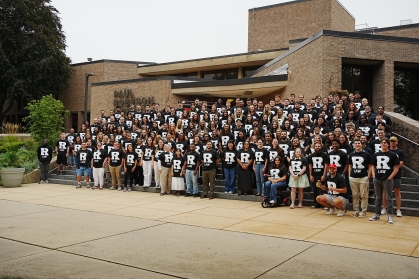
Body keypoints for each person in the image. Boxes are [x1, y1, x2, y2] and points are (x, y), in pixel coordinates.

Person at [370, 138, 400, 224]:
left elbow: (397, 167)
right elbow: (373, 166)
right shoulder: (376, 154)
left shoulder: (393, 155)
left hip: (387, 178)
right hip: (378, 178)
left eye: (385, 143)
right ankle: (377, 214)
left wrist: (390, 177)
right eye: (382, 142)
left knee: (389, 198)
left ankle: (390, 215)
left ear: (388, 144)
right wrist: (374, 176)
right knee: (378, 198)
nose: (383, 144)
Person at [348, 139, 372, 218]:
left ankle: (363, 211)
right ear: (353, 145)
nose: (357, 144)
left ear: (361, 144)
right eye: (356, 143)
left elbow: (370, 166)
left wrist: (368, 176)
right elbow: (350, 166)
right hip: (353, 177)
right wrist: (349, 176)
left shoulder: (367, 154)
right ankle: (356, 210)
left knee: (363, 195)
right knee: (355, 195)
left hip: (363, 177)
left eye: (359, 143)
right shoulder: (351, 154)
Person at [383, 136, 406, 217]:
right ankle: (384, 208)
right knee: (385, 191)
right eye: (391, 141)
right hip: (386, 173)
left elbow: (401, 163)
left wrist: (394, 168)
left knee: (397, 191)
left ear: (397, 142)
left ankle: (398, 210)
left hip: (396, 174)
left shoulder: (400, 152)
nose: (392, 142)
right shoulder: (385, 151)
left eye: (394, 141)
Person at [308, 142, 330, 208]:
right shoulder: (311, 156)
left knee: (324, 190)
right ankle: (316, 204)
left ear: (321, 147)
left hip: (322, 174)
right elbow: (310, 166)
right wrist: (310, 175)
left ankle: (325, 204)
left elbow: (326, 165)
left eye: (319, 146)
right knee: (315, 190)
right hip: (314, 175)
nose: (317, 147)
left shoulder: (325, 155)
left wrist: (324, 175)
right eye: (316, 146)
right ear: (314, 147)